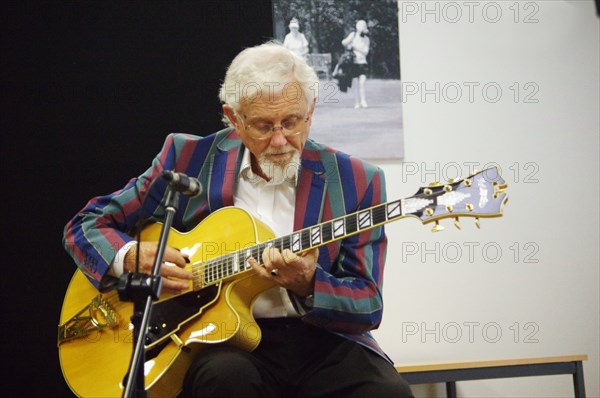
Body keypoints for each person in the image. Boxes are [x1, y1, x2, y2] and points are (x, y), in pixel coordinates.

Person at [63, 41, 413, 398]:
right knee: (225, 380)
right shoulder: (187, 158)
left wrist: (310, 284)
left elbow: (367, 304)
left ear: (311, 111)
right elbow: (87, 225)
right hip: (222, 343)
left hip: (323, 339)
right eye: (263, 125)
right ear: (234, 118)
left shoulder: (356, 179)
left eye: (291, 122)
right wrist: (129, 256)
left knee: (387, 392)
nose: (280, 140)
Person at [341, 19, 370, 108]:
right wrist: (349, 45)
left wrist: (355, 47)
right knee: (355, 83)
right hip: (353, 63)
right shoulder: (353, 35)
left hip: (362, 63)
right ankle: (357, 102)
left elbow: (366, 51)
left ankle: (363, 101)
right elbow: (343, 42)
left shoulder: (366, 39)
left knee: (362, 82)